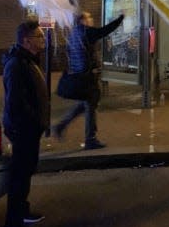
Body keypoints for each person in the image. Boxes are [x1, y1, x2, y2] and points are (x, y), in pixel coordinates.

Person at [2, 20, 50, 227]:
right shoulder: (17, 65)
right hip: (23, 130)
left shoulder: (28, 60)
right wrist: (33, 121)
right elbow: (16, 102)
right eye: (39, 37)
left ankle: (23, 210)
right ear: (27, 41)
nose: (43, 40)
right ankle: (13, 223)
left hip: (30, 129)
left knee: (26, 171)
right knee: (19, 175)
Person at [52, 11, 124, 149]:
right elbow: (104, 31)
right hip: (85, 78)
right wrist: (120, 19)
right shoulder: (85, 32)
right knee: (90, 105)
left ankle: (61, 126)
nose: (91, 19)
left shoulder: (74, 33)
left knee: (86, 104)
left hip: (78, 76)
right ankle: (90, 138)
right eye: (89, 17)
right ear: (82, 20)